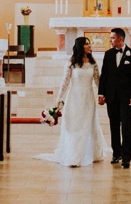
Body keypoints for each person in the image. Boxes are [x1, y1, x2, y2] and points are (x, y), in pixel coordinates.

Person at [36, 37, 110, 167]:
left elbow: (98, 81)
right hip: (74, 97)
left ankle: (91, 153)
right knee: (75, 126)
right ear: (80, 46)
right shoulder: (71, 62)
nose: (89, 45)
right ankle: (74, 155)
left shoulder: (93, 63)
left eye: (89, 43)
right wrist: (58, 99)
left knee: (87, 124)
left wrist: (103, 95)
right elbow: (65, 82)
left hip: (88, 98)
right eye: (87, 44)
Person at [98, 27, 131, 168]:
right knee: (114, 126)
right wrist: (101, 94)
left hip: (126, 97)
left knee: (126, 126)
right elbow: (104, 75)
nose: (110, 40)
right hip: (111, 96)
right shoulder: (108, 54)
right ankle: (116, 153)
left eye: (112, 38)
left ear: (120, 39)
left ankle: (127, 157)